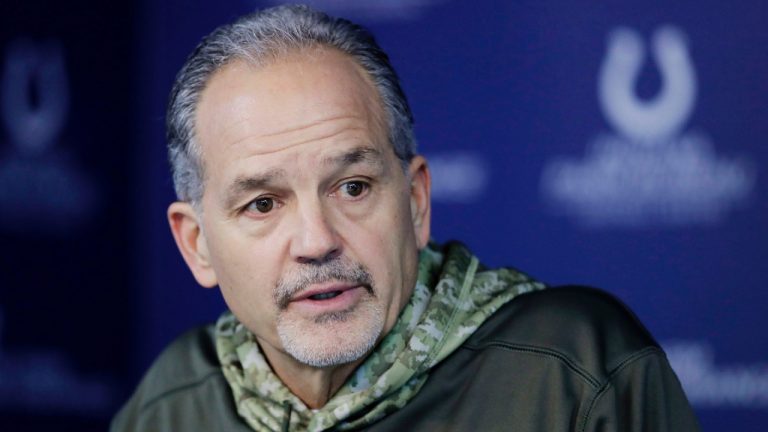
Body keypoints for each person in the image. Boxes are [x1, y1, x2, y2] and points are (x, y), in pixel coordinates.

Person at [112, 4, 700, 431]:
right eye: (263, 204)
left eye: (353, 186)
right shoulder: (172, 405)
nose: (317, 241)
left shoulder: (575, 372)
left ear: (416, 202)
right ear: (197, 246)